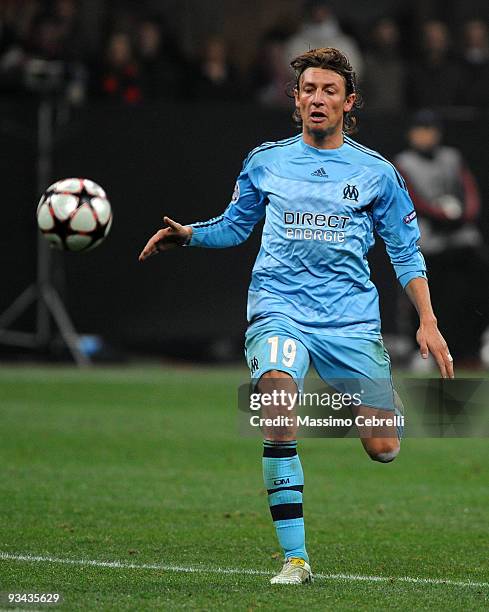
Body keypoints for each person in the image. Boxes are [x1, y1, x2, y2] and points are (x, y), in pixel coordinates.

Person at [139, 47, 453, 585]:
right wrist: (190, 234)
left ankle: (381, 405)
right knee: (278, 409)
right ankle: (296, 558)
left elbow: (404, 251)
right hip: (279, 307)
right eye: (309, 89)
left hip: (350, 320)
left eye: (329, 91)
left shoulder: (378, 173)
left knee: (384, 448)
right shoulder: (265, 161)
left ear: (349, 102)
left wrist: (428, 320)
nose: (317, 99)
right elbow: (236, 226)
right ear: (296, 98)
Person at [395, 110, 487, 364]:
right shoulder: (403, 162)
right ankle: (422, 348)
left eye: (430, 130)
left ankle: (477, 342)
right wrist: (442, 216)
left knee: (476, 277)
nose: (425, 136)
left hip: (460, 235)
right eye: (420, 130)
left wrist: (463, 216)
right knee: (424, 290)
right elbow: (411, 199)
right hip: (428, 236)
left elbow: (470, 193)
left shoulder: (451, 157)